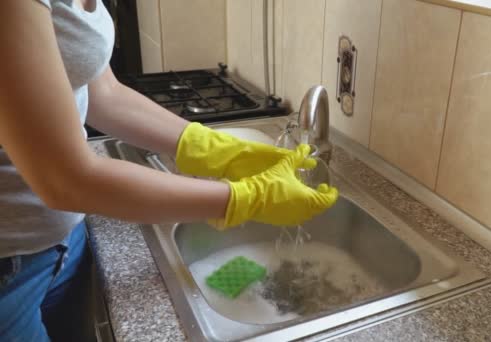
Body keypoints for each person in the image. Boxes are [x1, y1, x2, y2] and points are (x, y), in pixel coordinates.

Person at [0, 0, 338, 341]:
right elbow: (65, 178)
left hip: (62, 244)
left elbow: (104, 94)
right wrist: (247, 199)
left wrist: (217, 150)